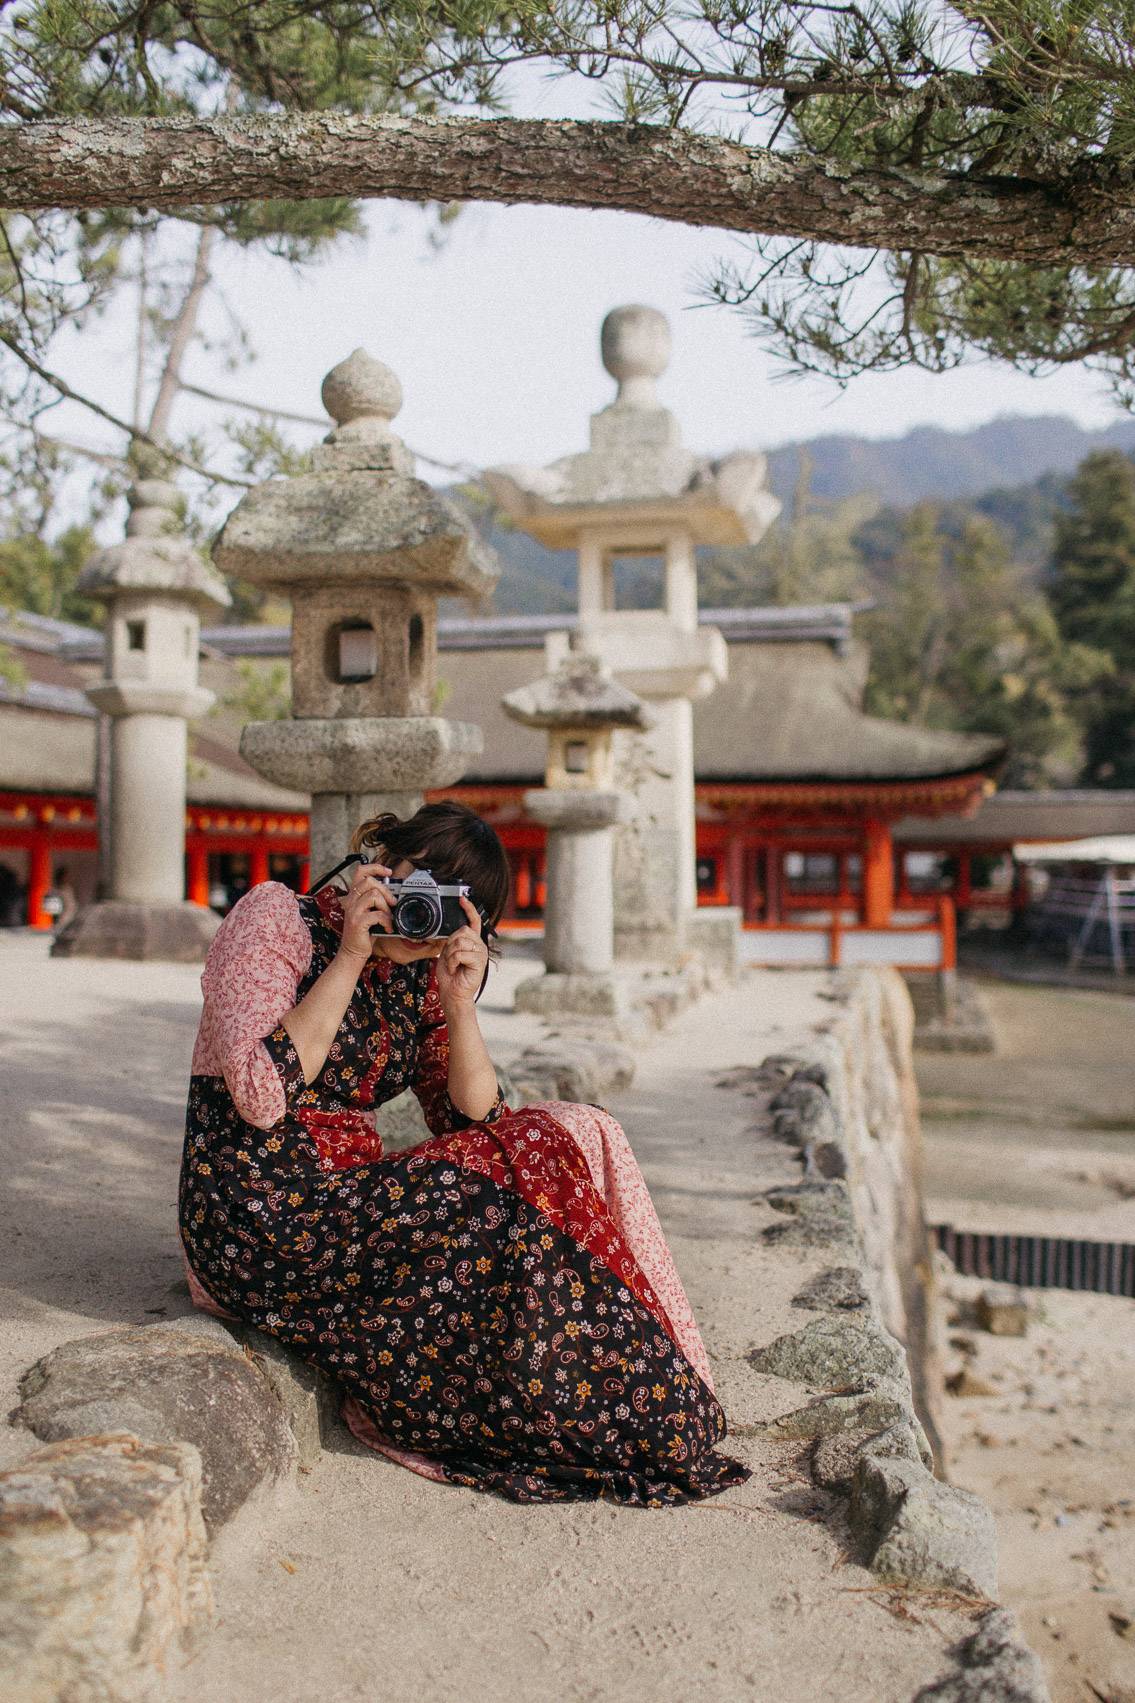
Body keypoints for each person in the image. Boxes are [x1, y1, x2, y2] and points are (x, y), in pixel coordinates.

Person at [180, 800, 747, 1505]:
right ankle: (601, 1394)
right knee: (536, 1144)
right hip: (255, 1210)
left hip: (345, 1204)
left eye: (451, 906)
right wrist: (354, 954)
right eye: (423, 889)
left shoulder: (420, 975)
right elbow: (260, 1094)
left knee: (571, 1126)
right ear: (381, 861)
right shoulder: (277, 918)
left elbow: (477, 1124)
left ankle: (599, 1385)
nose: (426, 920)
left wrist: (459, 1004)